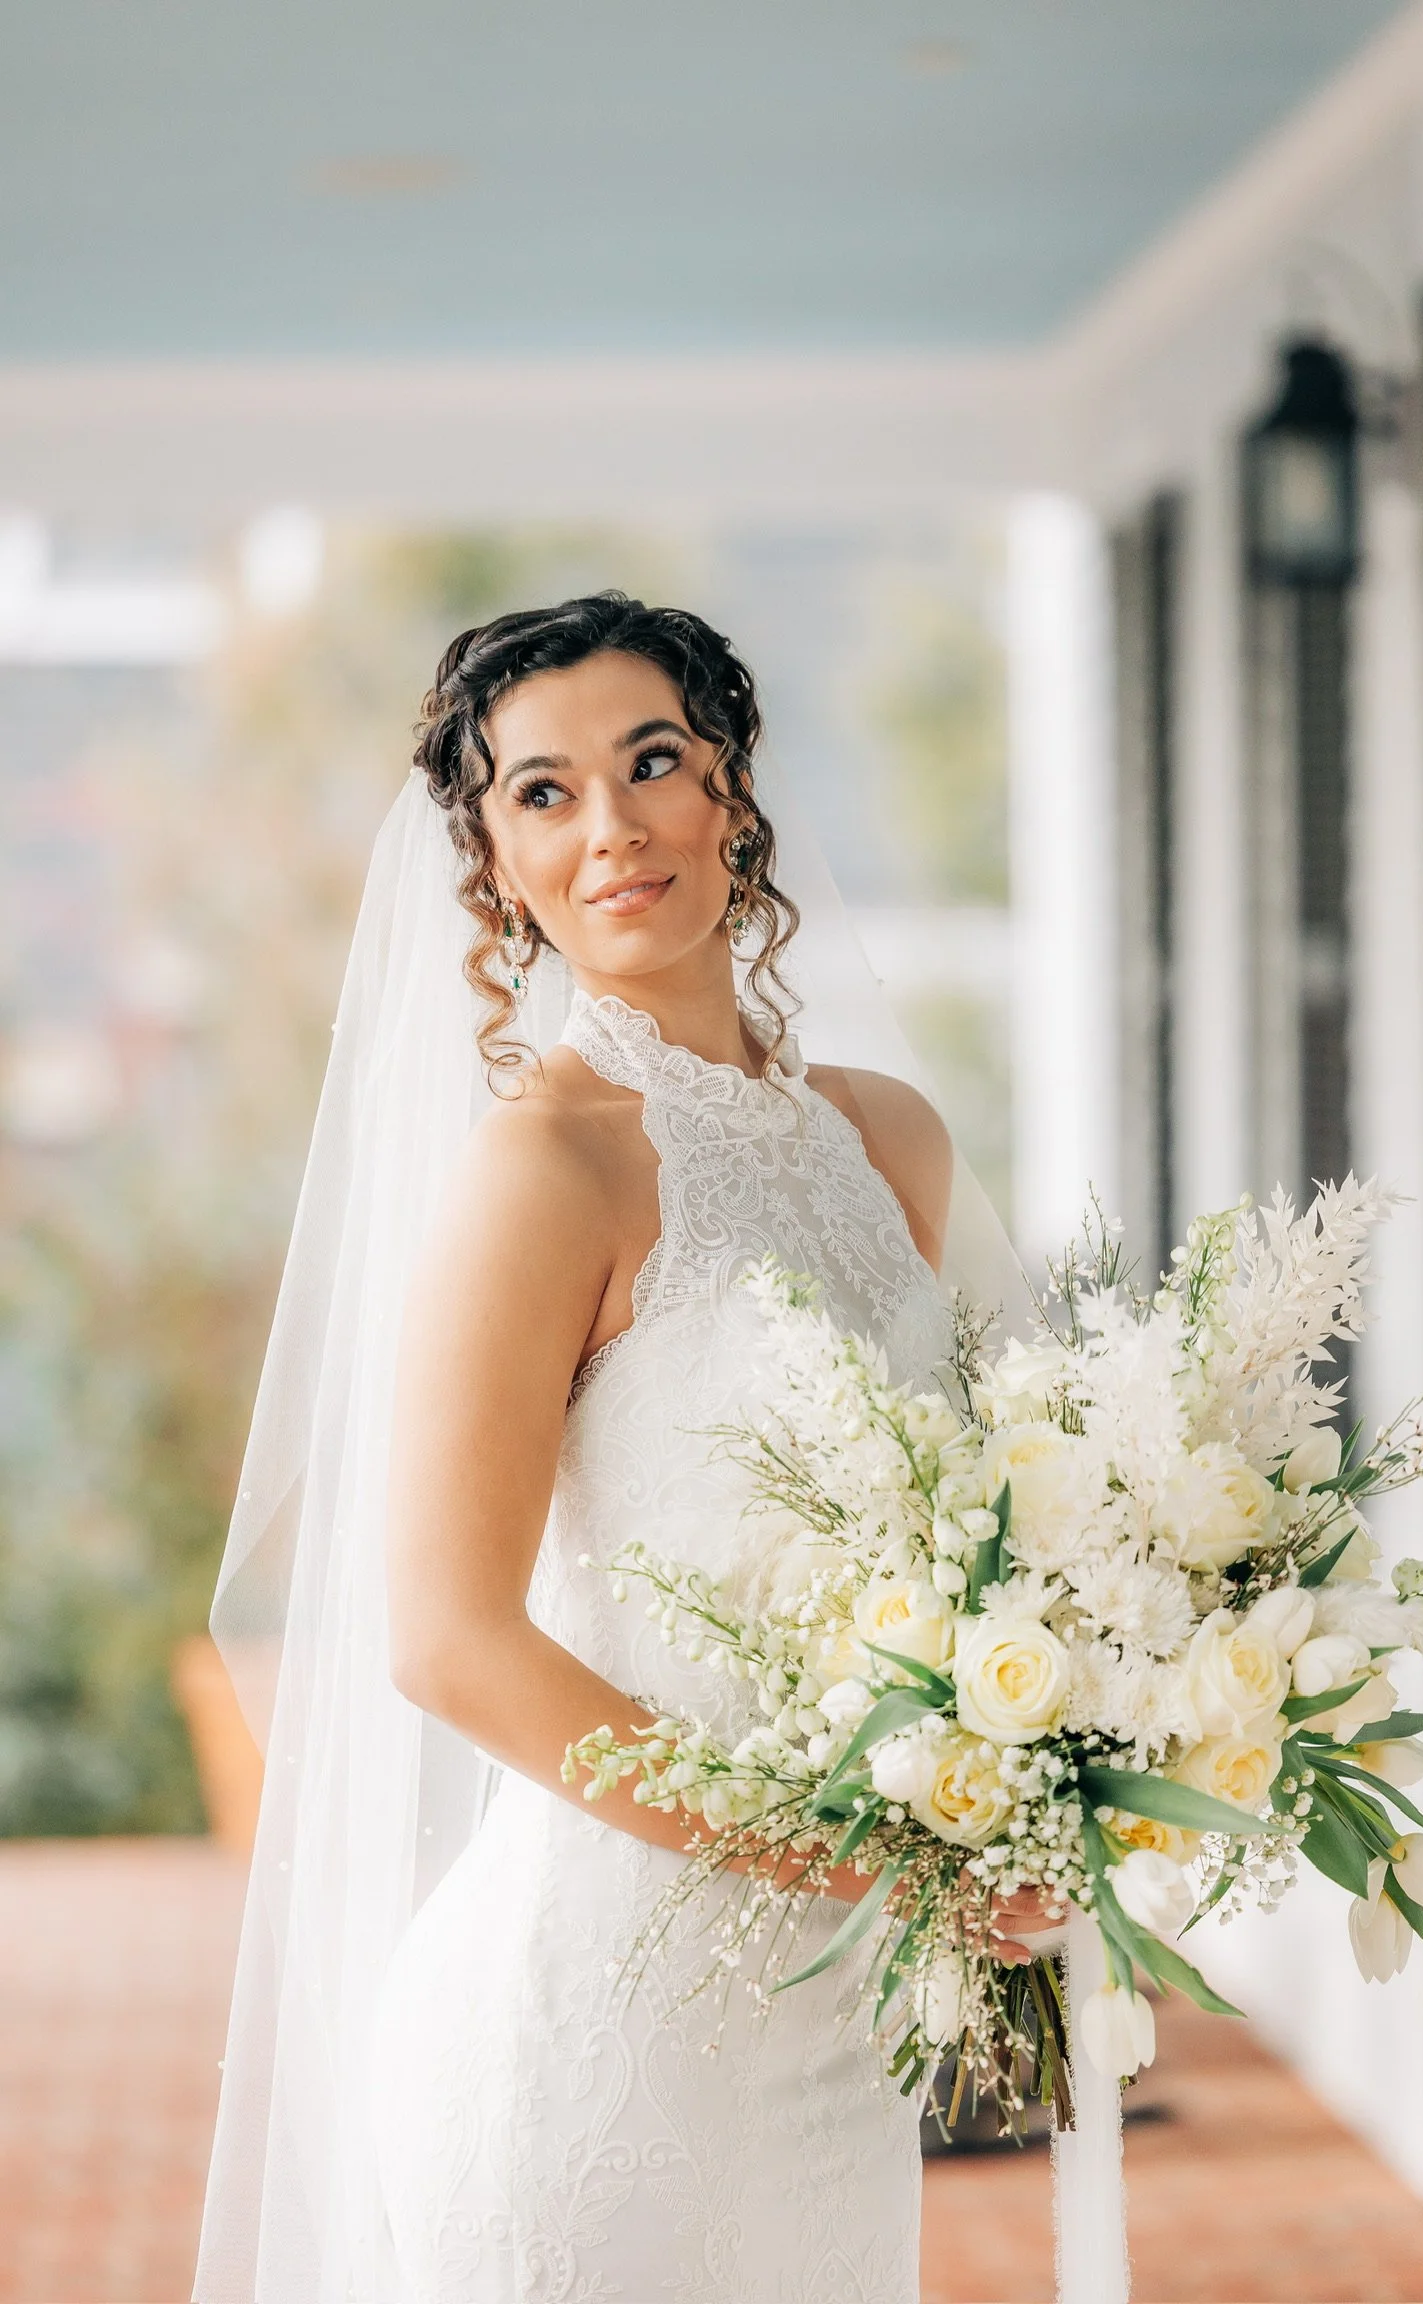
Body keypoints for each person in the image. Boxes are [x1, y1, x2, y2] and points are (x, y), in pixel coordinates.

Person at [195, 595, 1045, 2304]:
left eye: (652, 761)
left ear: (732, 792)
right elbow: (447, 1642)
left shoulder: (893, 1139)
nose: (612, 830)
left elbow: (996, 1533)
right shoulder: (549, 1173)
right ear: (495, 864)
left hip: (833, 2024)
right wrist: (850, 1850)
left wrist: (1034, 1780)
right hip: (599, 2015)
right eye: (543, 794)